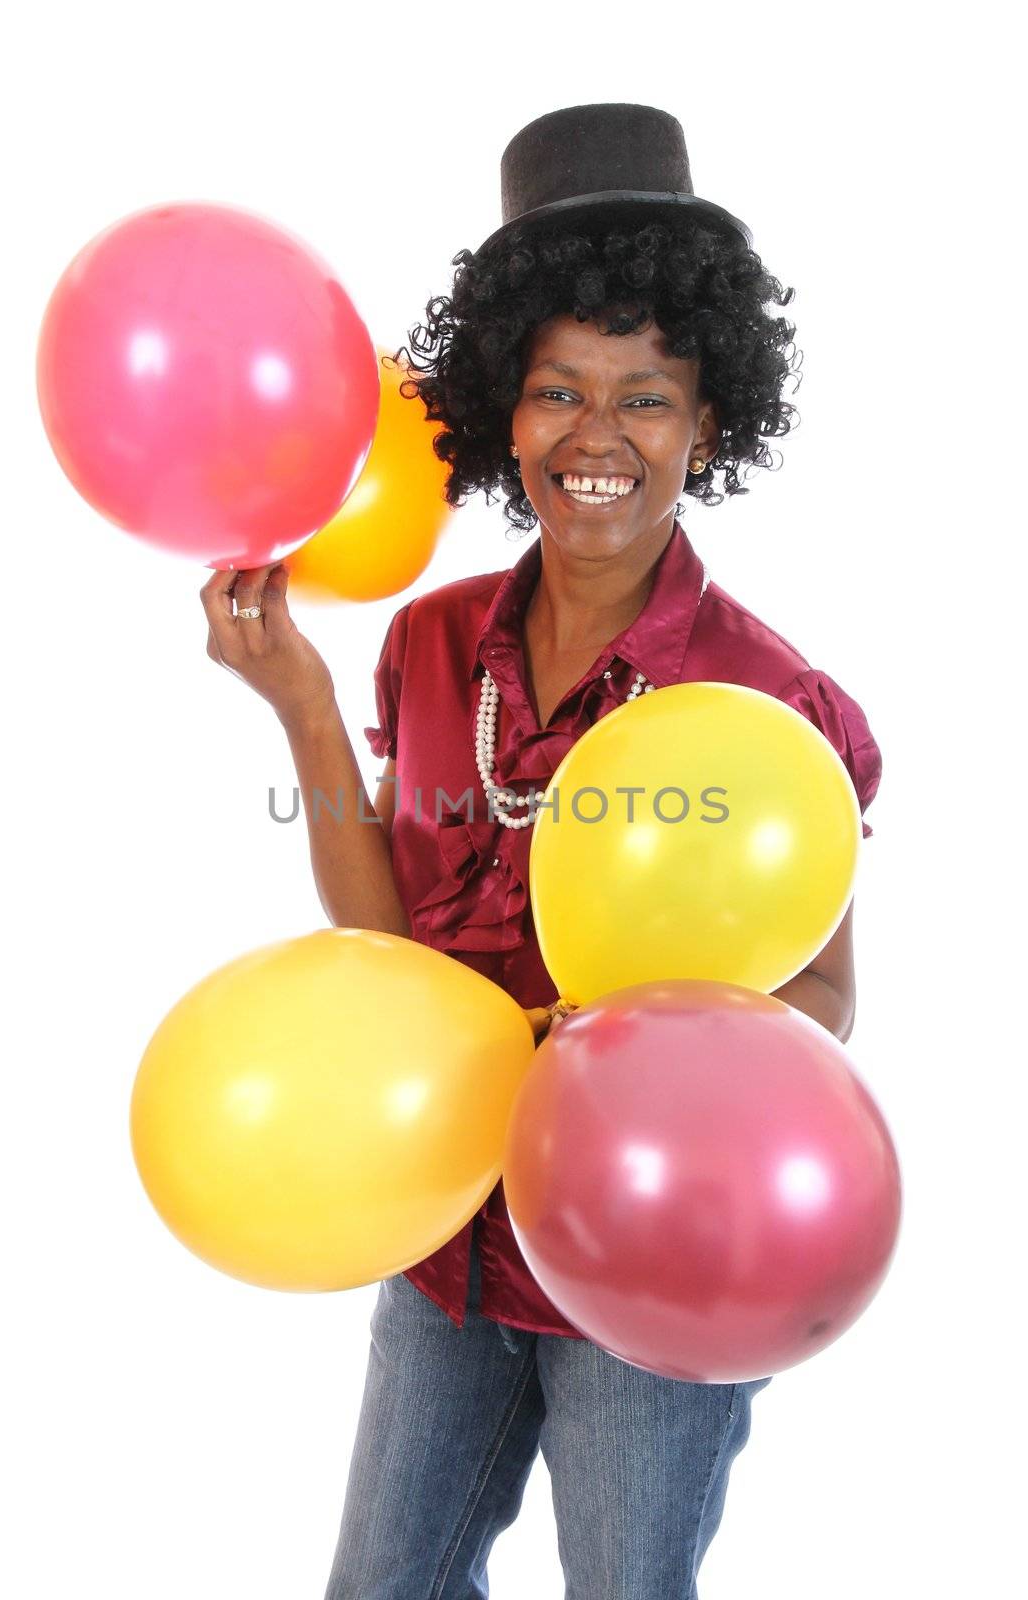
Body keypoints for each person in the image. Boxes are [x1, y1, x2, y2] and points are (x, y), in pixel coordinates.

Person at [200, 103, 882, 1599]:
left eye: (648, 399)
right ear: (506, 412)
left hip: (648, 1262)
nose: (599, 437)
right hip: (442, 1240)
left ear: (709, 424)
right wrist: (304, 705)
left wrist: (674, 1046)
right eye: (561, 390)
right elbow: (389, 961)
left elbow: (827, 1001)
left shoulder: (769, 706)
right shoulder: (435, 646)